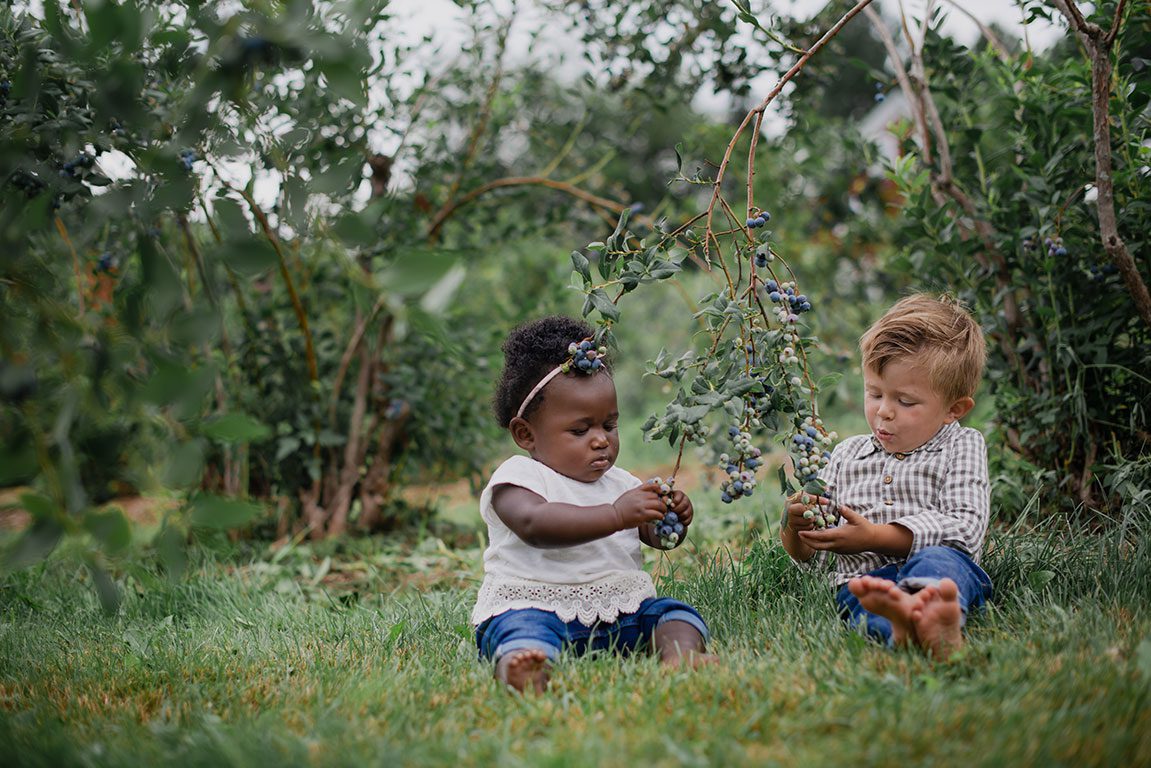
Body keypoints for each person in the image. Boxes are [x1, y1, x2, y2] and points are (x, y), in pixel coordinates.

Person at [472, 315, 716, 693]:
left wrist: (671, 520)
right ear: (526, 434)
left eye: (609, 425)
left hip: (620, 611)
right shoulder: (518, 477)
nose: (601, 440)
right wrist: (617, 515)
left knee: (673, 614)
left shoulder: (620, 482)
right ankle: (524, 668)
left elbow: (654, 536)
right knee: (519, 632)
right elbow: (537, 525)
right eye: (580, 430)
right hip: (534, 607)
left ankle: (681, 656)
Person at [780, 293, 994, 660]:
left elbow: (965, 529)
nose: (884, 412)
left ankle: (928, 612)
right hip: (864, 581)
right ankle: (906, 630)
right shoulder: (847, 455)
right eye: (874, 393)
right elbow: (813, 556)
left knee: (941, 566)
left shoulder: (962, 445)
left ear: (954, 409)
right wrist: (795, 528)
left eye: (905, 401)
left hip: (937, 564)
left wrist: (874, 536)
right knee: (862, 600)